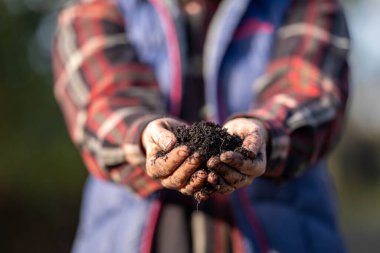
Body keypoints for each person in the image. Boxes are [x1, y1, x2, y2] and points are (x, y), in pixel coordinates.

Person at [53, 0, 350, 252]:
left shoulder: (301, 5)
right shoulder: (99, 7)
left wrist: (267, 130)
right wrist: (143, 136)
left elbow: (310, 89)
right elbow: (104, 100)